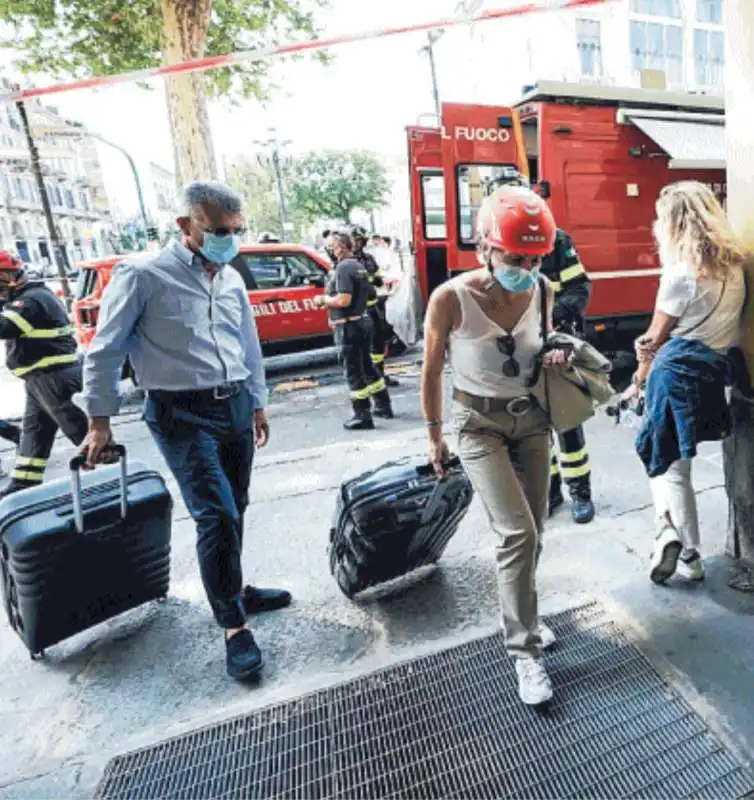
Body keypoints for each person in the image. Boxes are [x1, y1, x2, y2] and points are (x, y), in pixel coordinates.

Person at [80, 181, 291, 682]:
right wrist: (98, 420)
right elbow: (104, 351)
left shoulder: (232, 278)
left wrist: (257, 403)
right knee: (215, 514)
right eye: (219, 231)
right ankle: (233, 625)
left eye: (236, 231)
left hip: (235, 404)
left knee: (234, 507)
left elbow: (248, 345)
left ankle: (233, 588)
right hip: (180, 413)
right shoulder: (144, 275)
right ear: (185, 225)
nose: (229, 239)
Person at [421, 184, 571, 706]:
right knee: (515, 533)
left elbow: (546, 341)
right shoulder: (451, 297)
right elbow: (431, 368)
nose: (525, 267)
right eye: (514, 256)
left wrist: (556, 354)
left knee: (535, 531)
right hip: (475, 425)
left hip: (530, 419)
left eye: (534, 258)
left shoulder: (544, 289)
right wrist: (435, 434)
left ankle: (522, 611)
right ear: (484, 246)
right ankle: (525, 653)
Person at [630, 181, 745, 585]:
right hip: (712, 371)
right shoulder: (732, 269)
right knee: (673, 458)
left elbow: (652, 339)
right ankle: (671, 534)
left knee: (666, 464)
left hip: (674, 371)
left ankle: (684, 548)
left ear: (677, 222)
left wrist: (638, 375)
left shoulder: (681, 274)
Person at [490, 168, 595, 524]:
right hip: (515, 353)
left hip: (553, 345)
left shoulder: (555, 240)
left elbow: (580, 290)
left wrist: (550, 324)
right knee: (532, 428)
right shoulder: (490, 247)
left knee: (566, 421)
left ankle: (580, 491)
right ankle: (548, 491)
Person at [0, 249, 88, 497]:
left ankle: (114, 474)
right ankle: (22, 488)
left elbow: (5, 326)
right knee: (33, 435)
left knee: (82, 434)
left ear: (10, 276)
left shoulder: (31, 299)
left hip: (53, 377)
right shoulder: (29, 296)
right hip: (39, 380)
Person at [314, 231, 393, 429]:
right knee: (367, 366)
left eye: (332, 246)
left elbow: (343, 299)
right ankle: (383, 405)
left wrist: (322, 300)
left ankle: (362, 415)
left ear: (341, 247)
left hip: (349, 326)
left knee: (353, 371)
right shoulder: (358, 266)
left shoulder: (343, 268)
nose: (329, 250)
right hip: (361, 322)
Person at [351, 225, 400, 389]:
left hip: (374, 308)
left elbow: (378, 280)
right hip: (359, 312)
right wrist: (368, 280)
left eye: (360, 240)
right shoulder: (347, 263)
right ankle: (368, 379)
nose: (358, 244)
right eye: (355, 240)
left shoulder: (369, 258)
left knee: (378, 345)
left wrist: (371, 280)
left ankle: (380, 375)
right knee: (362, 348)